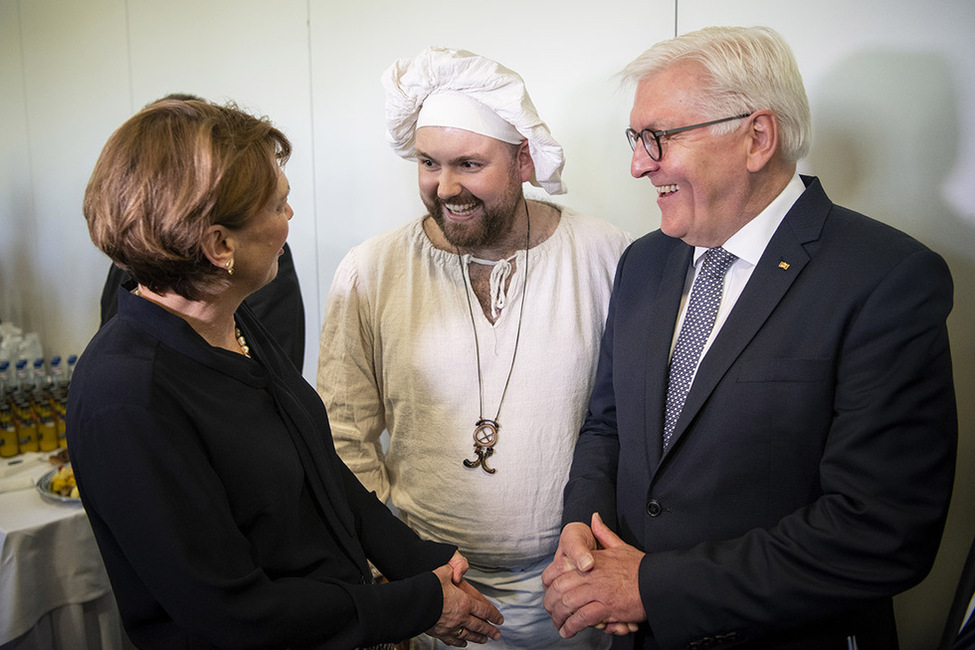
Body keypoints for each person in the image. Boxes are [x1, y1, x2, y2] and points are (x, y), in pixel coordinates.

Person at [542, 26, 957, 649]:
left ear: (756, 137)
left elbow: (879, 532)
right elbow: (609, 426)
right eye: (636, 138)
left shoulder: (887, 279)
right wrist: (583, 524)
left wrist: (653, 585)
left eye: (659, 137)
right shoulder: (644, 262)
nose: (637, 163)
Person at [68, 96, 503, 649]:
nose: (290, 218)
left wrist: (420, 561)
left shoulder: (235, 316)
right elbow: (234, 613)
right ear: (220, 245)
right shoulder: (127, 397)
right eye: (278, 206)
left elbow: (318, 469)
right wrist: (416, 604)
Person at [317, 47, 632, 649]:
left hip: (569, 584)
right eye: (428, 163)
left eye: (469, 163)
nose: (447, 187)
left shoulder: (607, 256)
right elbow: (343, 433)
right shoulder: (372, 269)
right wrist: (395, 567)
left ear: (522, 159)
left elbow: (629, 421)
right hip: (430, 584)